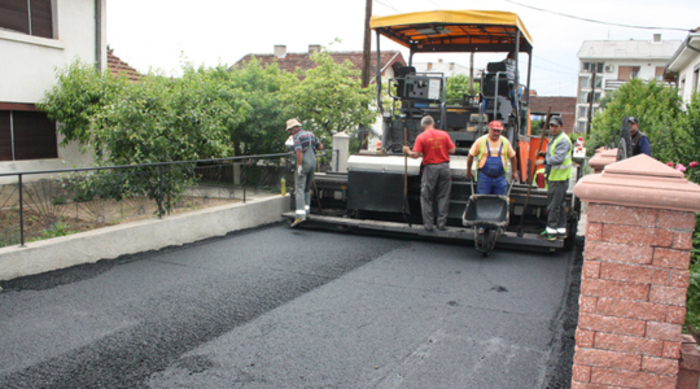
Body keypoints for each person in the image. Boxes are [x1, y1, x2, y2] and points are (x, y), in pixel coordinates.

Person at [403, 115, 456, 232]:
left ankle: (428, 225)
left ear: (422, 126)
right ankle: (441, 223)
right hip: (444, 167)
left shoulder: (421, 137)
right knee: (443, 196)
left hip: (430, 168)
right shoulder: (444, 134)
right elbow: (452, 150)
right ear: (433, 124)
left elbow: (415, 155)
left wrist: (407, 151)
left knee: (426, 197)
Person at [535, 115, 573, 240]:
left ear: (562, 126)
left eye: (555, 126)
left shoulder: (563, 140)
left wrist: (544, 161)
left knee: (553, 205)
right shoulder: (556, 138)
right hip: (555, 177)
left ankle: (551, 231)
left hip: (559, 178)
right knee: (560, 204)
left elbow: (558, 158)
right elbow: (554, 153)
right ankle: (561, 230)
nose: (553, 128)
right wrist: (544, 154)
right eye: (551, 126)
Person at [286, 118, 323, 227]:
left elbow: (299, 151)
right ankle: (307, 210)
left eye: (290, 130)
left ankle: (300, 215)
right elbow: (320, 147)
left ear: (294, 128)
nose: (290, 132)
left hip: (304, 163)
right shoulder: (310, 134)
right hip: (313, 163)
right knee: (307, 187)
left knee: (300, 188)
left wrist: (299, 166)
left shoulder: (297, 137)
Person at [466, 120, 518, 195]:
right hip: (484, 178)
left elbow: (513, 157)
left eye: (498, 131)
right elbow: (470, 156)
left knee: (500, 201)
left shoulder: (505, 142)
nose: (496, 133)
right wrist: (468, 171)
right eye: (494, 131)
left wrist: (514, 172)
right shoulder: (481, 141)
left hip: (500, 178)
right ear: (489, 129)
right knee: (483, 200)